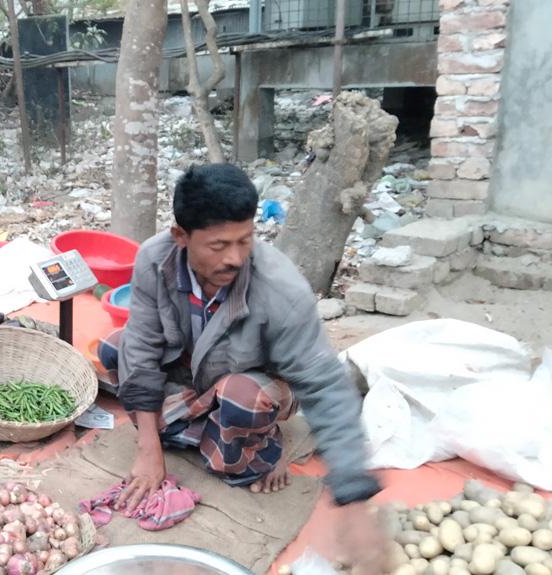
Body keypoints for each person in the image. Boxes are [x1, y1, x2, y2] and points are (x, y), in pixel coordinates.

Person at [102, 164, 386, 575]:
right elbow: (143, 345)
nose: (234, 257)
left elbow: (323, 384)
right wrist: (149, 447)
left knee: (241, 403)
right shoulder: (154, 258)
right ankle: (193, 430)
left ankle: (257, 444)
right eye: (218, 245)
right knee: (117, 348)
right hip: (191, 374)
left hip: (251, 382)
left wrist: (353, 493)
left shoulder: (281, 289)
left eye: (245, 240)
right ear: (180, 237)